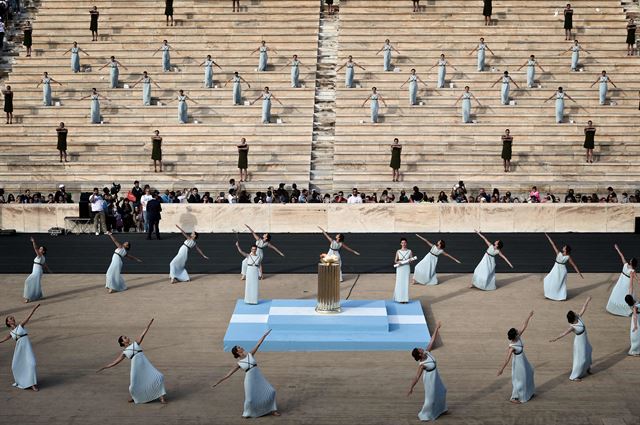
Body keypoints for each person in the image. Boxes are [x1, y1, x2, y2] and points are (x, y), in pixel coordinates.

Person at [97, 318, 167, 404]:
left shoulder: (135, 344)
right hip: (136, 368)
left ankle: (162, 398)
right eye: (125, 338)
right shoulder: (125, 352)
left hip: (145, 365)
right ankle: (135, 397)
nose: (127, 338)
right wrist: (105, 367)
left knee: (158, 377)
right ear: (123, 342)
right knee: (133, 386)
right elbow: (115, 362)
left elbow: (142, 335)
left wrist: (148, 325)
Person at [212, 329, 279, 417]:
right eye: (239, 347)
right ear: (237, 352)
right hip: (249, 380)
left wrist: (264, 335)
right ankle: (247, 413)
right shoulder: (239, 363)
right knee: (250, 399)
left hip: (258, 377)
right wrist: (218, 382)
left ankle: (273, 410)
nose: (241, 347)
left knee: (271, 391)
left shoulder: (250, 354)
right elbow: (228, 374)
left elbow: (258, 344)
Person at [407, 321, 447, 421]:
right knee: (431, 399)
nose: (421, 348)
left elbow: (432, 341)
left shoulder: (427, 352)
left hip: (435, 376)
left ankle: (441, 409)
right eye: (419, 350)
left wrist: (436, 328)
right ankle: (425, 415)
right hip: (429, 379)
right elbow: (417, 377)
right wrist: (411, 387)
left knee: (442, 390)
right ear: (419, 355)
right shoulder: (422, 365)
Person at [549, 297, 593, 381]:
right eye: (574, 313)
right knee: (581, 358)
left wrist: (587, 300)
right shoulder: (572, 327)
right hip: (579, 342)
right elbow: (564, 333)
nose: (576, 312)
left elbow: (584, 308)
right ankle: (574, 376)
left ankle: (587, 368)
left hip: (584, 340)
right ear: (573, 318)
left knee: (589, 350)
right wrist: (555, 338)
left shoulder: (578, 317)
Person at [497, 311, 535, 403]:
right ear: (515, 336)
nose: (519, 331)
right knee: (520, 379)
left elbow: (524, 325)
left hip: (523, 360)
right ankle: (514, 397)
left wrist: (529, 316)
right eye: (517, 332)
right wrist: (501, 369)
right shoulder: (512, 347)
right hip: (518, 363)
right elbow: (507, 359)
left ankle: (528, 392)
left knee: (530, 371)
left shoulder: (518, 337)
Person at [0, 303, 40, 391]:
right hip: (19, 351)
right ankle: (27, 383)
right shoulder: (11, 333)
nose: (13, 318)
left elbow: (28, 317)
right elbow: (3, 339)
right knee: (15, 366)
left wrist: (34, 308)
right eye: (11, 318)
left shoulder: (20, 326)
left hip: (27, 350)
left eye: (13, 317)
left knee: (32, 364)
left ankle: (32, 384)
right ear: (8, 322)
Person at [542, 233, 583, 301]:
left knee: (560, 284)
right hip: (556, 270)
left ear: (566, 249)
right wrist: (548, 237)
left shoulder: (566, 256)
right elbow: (553, 244)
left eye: (564, 247)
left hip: (561, 271)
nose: (563, 247)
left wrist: (579, 273)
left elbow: (574, 265)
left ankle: (560, 296)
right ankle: (550, 294)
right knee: (547, 279)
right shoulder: (560, 253)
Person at [606, 244, 638, 316]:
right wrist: (617, 249)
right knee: (621, 294)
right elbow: (622, 256)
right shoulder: (630, 269)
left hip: (622, 282)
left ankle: (626, 309)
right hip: (623, 282)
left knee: (617, 293)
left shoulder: (627, 267)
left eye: (631, 259)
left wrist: (617, 249)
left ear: (631, 262)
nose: (631, 259)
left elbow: (631, 284)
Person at [23, 237, 51, 303]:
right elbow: (44, 265)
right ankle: (37, 296)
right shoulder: (42, 257)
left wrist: (33, 241)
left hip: (37, 272)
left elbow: (35, 248)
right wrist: (48, 270)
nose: (39, 249)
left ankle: (28, 297)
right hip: (37, 271)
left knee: (28, 281)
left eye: (41, 249)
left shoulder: (40, 255)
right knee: (35, 284)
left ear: (43, 251)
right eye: (40, 248)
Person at [394, 238, 415, 303]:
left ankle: (405, 299)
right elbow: (395, 260)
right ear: (400, 243)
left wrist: (411, 260)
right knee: (399, 283)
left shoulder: (409, 251)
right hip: (400, 268)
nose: (404, 244)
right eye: (402, 243)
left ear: (406, 243)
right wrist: (398, 262)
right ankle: (399, 299)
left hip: (406, 268)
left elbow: (411, 261)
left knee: (406, 283)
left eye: (405, 242)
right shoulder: (398, 251)